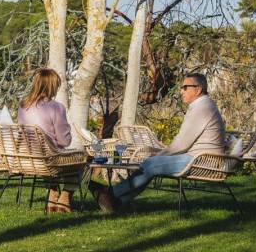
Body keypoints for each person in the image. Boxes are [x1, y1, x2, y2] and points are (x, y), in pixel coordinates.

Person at [91, 73, 225, 212]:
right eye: (181, 87)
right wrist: (160, 154)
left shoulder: (202, 108)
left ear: (197, 89)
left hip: (201, 161)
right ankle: (117, 201)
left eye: (185, 87)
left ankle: (111, 194)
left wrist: (160, 154)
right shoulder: (203, 106)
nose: (181, 91)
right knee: (151, 166)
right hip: (199, 158)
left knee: (150, 164)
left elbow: (182, 144)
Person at [18, 68, 75, 213]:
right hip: (49, 158)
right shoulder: (57, 108)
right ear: (52, 86)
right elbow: (64, 141)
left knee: (47, 155)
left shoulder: (23, 106)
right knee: (81, 161)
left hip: (28, 157)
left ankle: (52, 190)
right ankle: (66, 196)